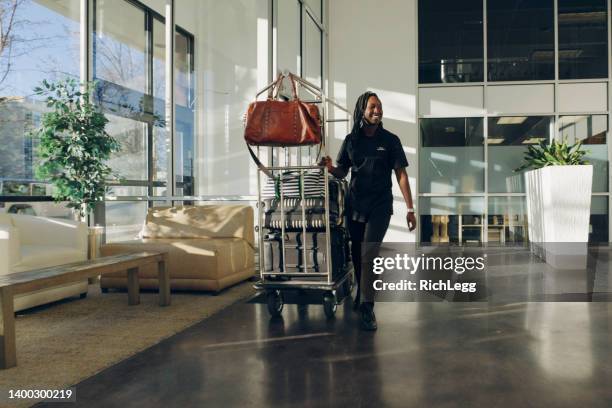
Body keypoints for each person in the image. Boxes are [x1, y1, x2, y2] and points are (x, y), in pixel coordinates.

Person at [320, 91, 416, 331]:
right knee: (356, 252)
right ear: (362, 110)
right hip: (355, 205)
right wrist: (331, 167)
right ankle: (361, 294)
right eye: (373, 107)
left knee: (369, 254)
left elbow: (401, 175)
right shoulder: (351, 141)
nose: (377, 111)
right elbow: (343, 171)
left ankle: (367, 308)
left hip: (380, 206)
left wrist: (410, 208)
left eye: (380, 107)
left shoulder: (390, 140)